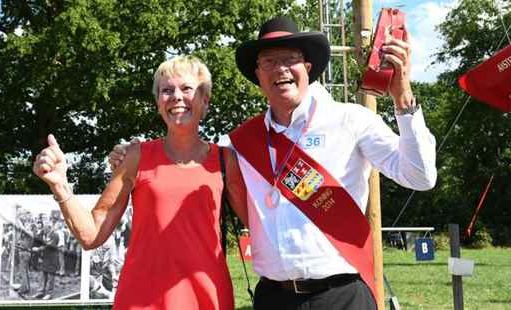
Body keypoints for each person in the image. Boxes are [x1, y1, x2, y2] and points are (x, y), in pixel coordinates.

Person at [110, 16, 437, 310]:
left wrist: (403, 97)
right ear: (258, 75)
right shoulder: (238, 145)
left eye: (290, 59)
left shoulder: (351, 120)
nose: (280, 68)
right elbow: (187, 159)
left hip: (343, 296)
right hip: (273, 299)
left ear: (307, 67)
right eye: (269, 62)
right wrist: (130, 154)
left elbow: (420, 177)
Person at [33, 55, 247, 310]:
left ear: (205, 101)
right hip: (143, 297)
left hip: (207, 296)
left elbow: (261, 226)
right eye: (166, 90)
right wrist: (60, 186)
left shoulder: (227, 161)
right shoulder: (136, 156)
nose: (176, 96)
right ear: (158, 103)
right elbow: (91, 235)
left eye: (187, 89)